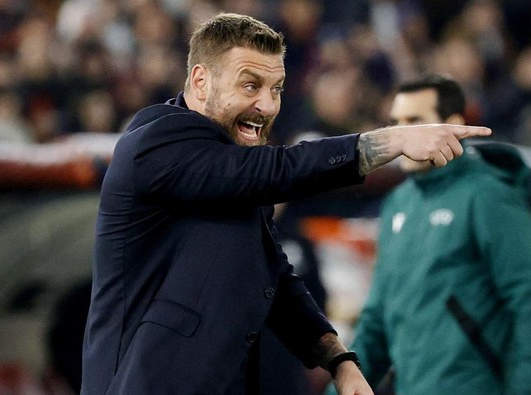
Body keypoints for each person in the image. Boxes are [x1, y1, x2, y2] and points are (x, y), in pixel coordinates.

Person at [80, 13, 491, 395]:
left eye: (275, 89)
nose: (267, 105)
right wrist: (393, 141)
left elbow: (272, 277)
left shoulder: (230, 168)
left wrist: (339, 361)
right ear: (201, 82)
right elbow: (275, 169)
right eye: (250, 85)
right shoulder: (154, 144)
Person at [328, 74, 531, 394]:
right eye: (396, 123)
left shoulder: (487, 196)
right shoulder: (398, 204)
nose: (401, 135)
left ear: (452, 125)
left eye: (414, 122)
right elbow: (377, 322)